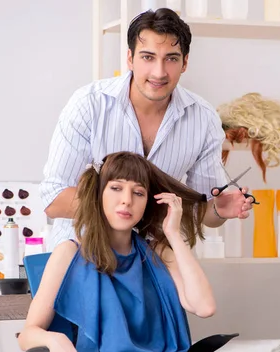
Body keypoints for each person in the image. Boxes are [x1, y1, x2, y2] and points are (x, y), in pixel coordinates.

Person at [40, 7, 253, 251]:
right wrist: (142, 206)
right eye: (148, 57)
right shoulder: (89, 104)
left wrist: (218, 209)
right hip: (81, 254)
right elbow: (53, 199)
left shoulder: (203, 119)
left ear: (185, 62)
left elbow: (202, 210)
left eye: (171, 58)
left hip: (154, 260)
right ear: (130, 58)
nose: (159, 72)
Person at [19, 152, 216, 352]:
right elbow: (28, 334)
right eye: (116, 188)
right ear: (99, 194)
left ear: (147, 203)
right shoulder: (69, 253)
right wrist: (55, 340)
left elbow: (204, 306)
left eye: (138, 192)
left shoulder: (158, 252)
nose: (126, 201)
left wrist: (174, 234)